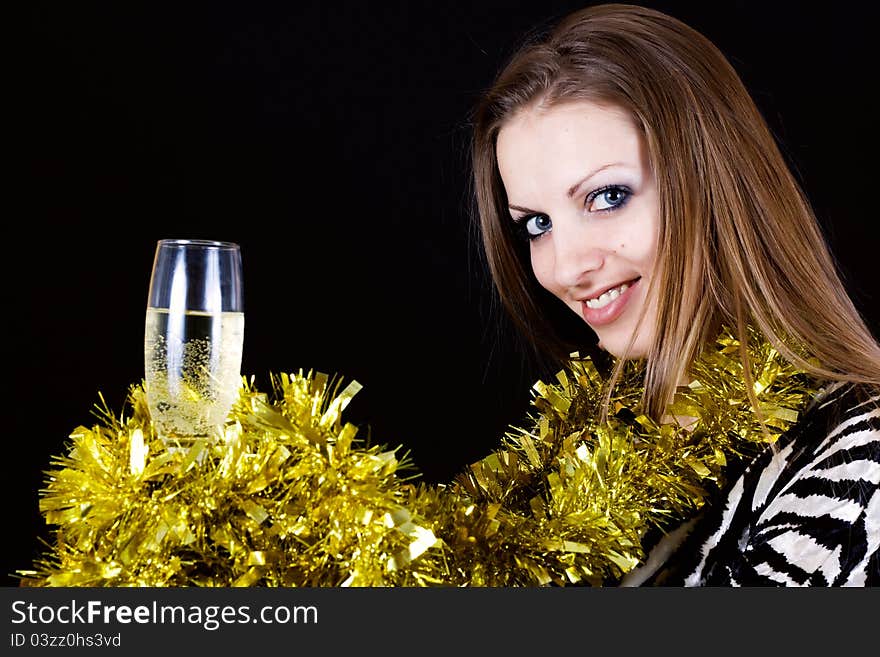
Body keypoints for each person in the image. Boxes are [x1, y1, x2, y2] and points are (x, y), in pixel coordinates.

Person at [469, 2, 880, 585]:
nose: (567, 267)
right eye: (536, 224)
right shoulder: (588, 472)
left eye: (607, 196)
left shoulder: (859, 471)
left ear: (713, 183)